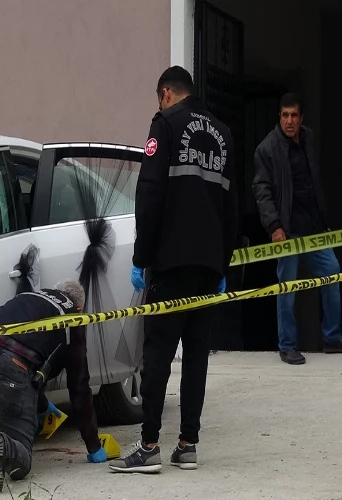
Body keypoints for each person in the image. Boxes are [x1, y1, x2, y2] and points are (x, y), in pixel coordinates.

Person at [109, 66, 238, 474]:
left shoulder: (163, 125)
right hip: (207, 264)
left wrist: (140, 258)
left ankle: (148, 445)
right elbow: (230, 208)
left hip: (172, 261)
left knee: (159, 352)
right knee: (197, 353)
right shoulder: (223, 133)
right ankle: (188, 444)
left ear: (166, 93)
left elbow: (149, 194)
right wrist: (223, 263)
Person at [0, 279, 107, 494]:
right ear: (79, 308)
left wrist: (42, 404)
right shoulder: (72, 319)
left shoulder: (33, 296)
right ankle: (5, 444)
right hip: (12, 362)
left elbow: (41, 362)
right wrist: (94, 446)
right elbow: (80, 388)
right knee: (22, 462)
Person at [252, 93, 342, 365]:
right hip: (287, 229)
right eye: (284, 115)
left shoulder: (309, 139)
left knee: (333, 275)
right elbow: (262, 190)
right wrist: (274, 226)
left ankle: (333, 338)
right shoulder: (266, 149)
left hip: (315, 227)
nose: (289, 121)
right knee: (287, 287)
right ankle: (288, 345)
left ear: (301, 118)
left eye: (294, 115)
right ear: (278, 117)